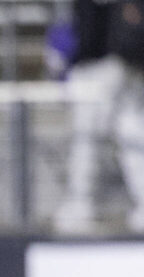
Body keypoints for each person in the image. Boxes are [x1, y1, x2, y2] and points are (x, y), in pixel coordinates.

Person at [53, 0, 144, 235]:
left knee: (91, 140)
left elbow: (91, 32)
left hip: (105, 67)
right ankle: (84, 205)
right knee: (129, 138)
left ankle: (82, 205)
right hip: (119, 65)